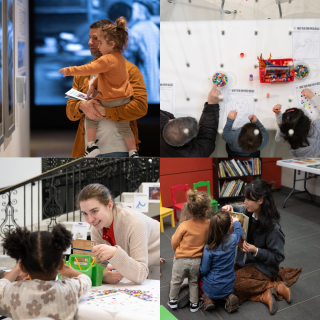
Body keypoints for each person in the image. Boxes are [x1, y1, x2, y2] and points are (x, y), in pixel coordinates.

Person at [66, 19, 148, 158]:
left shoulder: (131, 71)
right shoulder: (83, 73)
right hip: (87, 151)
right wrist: (82, 106)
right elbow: (70, 109)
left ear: (110, 41)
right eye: (90, 38)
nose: (90, 43)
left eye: (96, 38)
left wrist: (106, 111)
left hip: (120, 150)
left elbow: (140, 107)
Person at [222, 180, 301, 315]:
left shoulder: (273, 228)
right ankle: (268, 292)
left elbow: (278, 256)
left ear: (260, 200)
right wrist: (229, 207)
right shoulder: (246, 211)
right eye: (244, 198)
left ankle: (272, 286)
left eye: (248, 199)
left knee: (229, 285)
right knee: (220, 276)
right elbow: (236, 209)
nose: (244, 202)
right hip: (244, 263)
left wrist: (256, 250)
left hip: (262, 267)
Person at [0, 225, 91, 320]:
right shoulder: (70, 288)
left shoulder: (11, 292)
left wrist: (16, 270)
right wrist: (73, 273)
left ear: (23, 267)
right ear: (61, 265)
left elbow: (1, 284)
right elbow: (86, 280)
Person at [77, 183, 160, 284]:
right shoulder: (96, 228)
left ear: (109, 205)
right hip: (144, 262)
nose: (90, 220)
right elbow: (98, 266)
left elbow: (141, 274)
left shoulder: (134, 222)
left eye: (94, 211)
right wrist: (104, 276)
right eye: (85, 213)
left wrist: (114, 253)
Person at [167, 190, 211, 313]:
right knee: (193, 282)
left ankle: (172, 301)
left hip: (181, 259)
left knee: (176, 281)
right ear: (206, 211)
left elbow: (174, 241)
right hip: (197, 261)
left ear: (189, 210)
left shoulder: (184, 225)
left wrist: (177, 251)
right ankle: (194, 304)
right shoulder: (209, 224)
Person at [160, 84, 221, 157]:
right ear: (182, 144)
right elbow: (208, 135)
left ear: (170, 121)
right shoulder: (197, 154)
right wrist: (212, 105)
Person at [199, 212, 243, 313]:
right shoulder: (232, 239)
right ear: (228, 227)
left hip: (212, 286)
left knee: (200, 281)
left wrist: (199, 274)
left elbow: (204, 269)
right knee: (225, 290)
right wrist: (236, 222)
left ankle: (208, 299)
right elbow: (239, 232)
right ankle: (229, 297)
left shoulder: (208, 247)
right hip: (229, 283)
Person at [274, 89, 320, 157]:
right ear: (307, 121)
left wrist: (278, 114)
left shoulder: (286, 134)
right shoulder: (316, 127)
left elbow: (281, 130)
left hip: (304, 159)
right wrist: (312, 96)